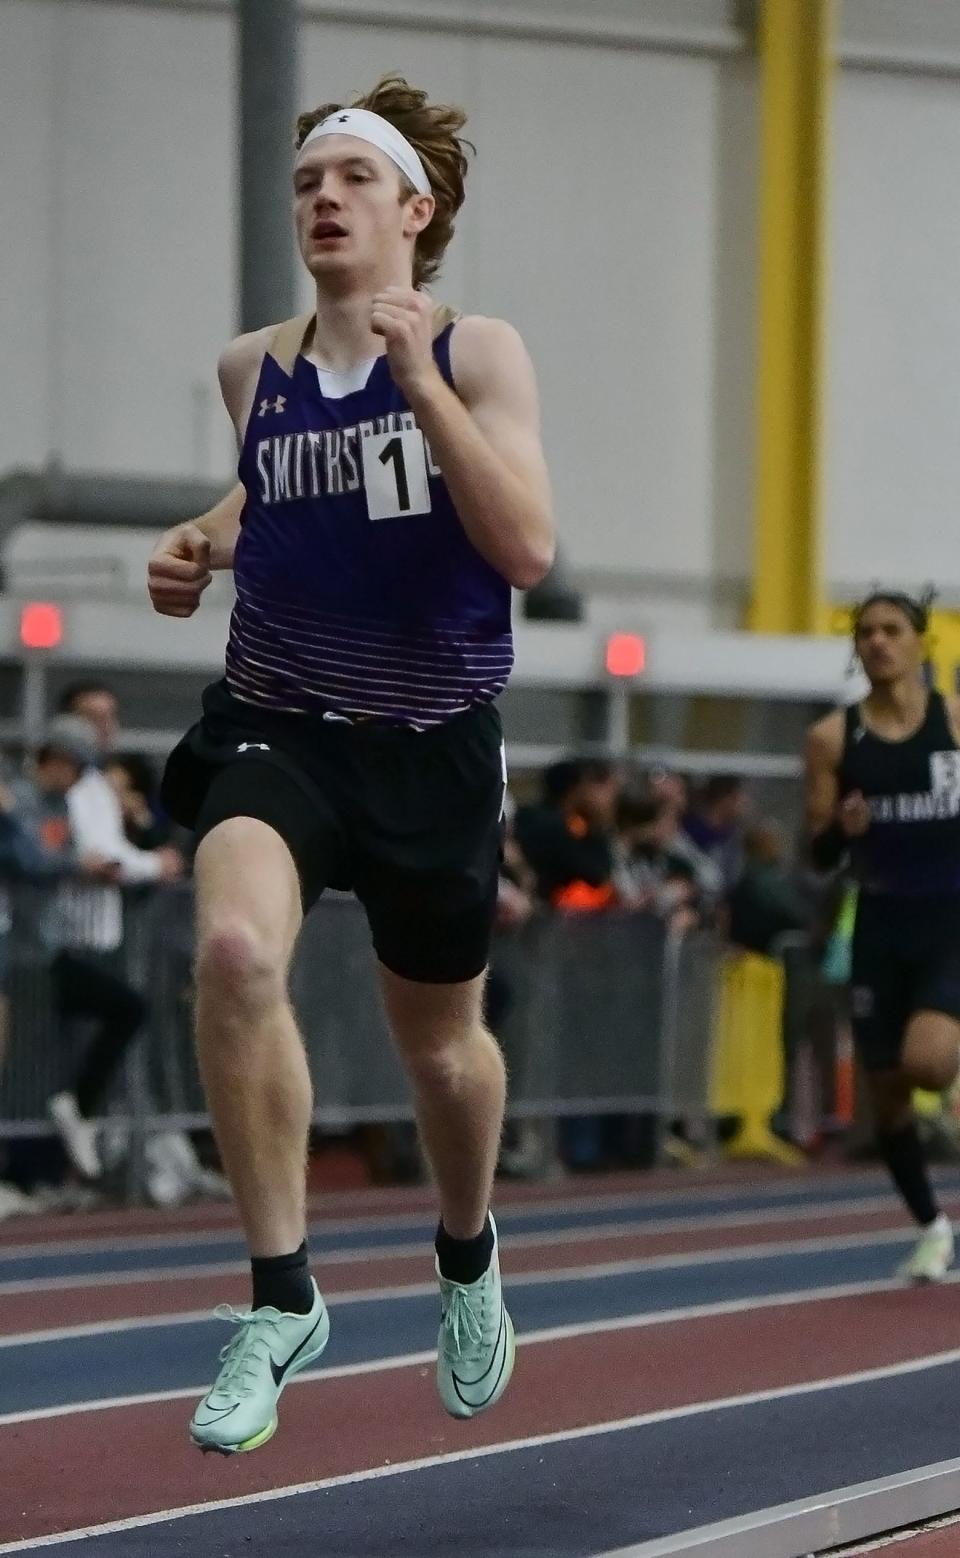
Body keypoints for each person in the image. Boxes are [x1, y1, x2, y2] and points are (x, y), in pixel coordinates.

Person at [147, 76, 554, 1453]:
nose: (322, 197)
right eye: (307, 179)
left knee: (441, 1050)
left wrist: (421, 382)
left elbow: (526, 549)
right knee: (235, 952)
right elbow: (277, 478)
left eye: (353, 178)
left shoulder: (480, 350)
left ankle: (464, 1247)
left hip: (435, 742)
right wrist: (201, 537)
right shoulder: (248, 367)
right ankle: (280, 1296)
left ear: (415, 210)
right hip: (284, 719)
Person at [805, 590, 960, 1282]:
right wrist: (844, 829)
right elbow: (818, 853)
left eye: (891, 630)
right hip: (880, 922)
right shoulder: (834, 739)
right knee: (889, 1091)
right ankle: (933, 1227)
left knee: (929, 1063)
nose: (876, 642)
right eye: (865, 632)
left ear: (921, 641)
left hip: (950, 917)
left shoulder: (955, 723)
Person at [0, 717, 149, 1180]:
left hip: (45, 949)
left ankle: (48, 1151)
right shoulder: (19, 801)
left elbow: (55, 858)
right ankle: (22, 1171)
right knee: (22, 1066)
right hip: (19, 950)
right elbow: (27, 860)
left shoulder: (59, 807)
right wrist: (73, 864)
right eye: (78, 768)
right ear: (58, 760)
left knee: (116, 1013)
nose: (81, 780)